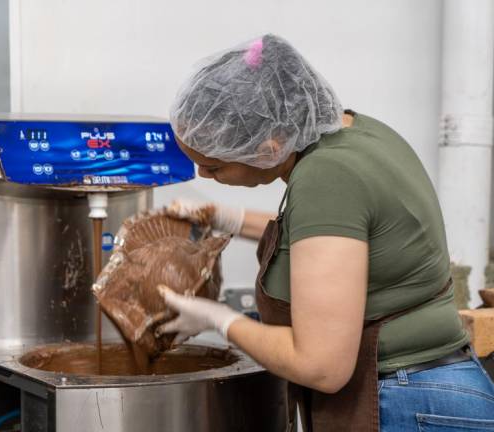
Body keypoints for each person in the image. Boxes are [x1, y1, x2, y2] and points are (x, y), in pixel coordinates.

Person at [157, 34, 494, 431]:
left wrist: (219, 318)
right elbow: (331, 233)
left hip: (409, 404)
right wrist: (226, 218)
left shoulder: (325, 177)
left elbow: (322, 366)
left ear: (269, 148)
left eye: (213, 167)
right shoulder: (357, 134)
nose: (202, 175)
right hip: (437, 389)